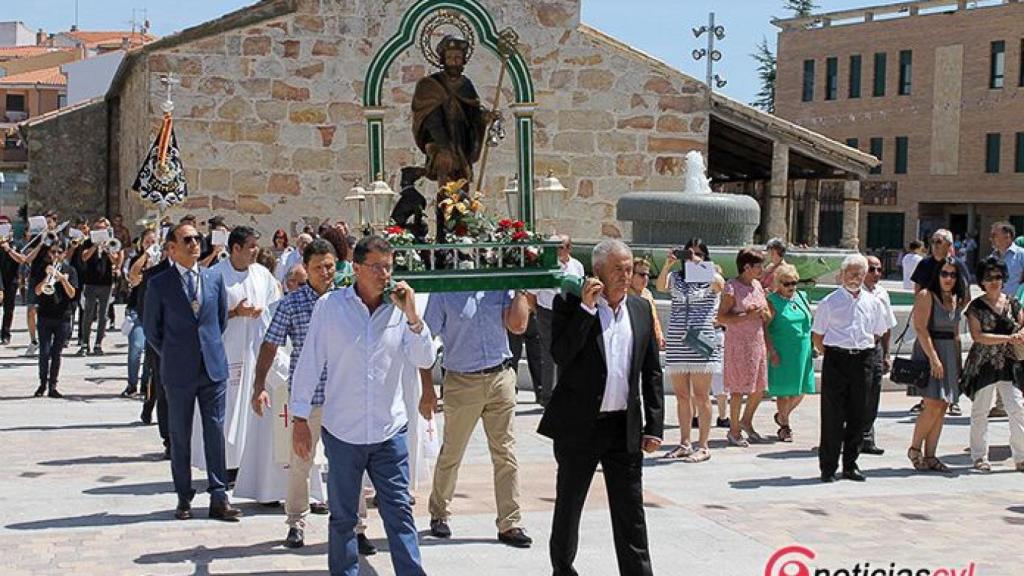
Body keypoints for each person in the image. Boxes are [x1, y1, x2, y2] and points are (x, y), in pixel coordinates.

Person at [292, 236, 436, 576]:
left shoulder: (401, 312)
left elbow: (424, 357)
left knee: (399, 512)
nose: (384, 275)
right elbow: (310, 362)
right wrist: (299, 418)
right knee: (343, 517)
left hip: (389, 431)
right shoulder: (330, 307)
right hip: (343, 432)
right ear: (356, 269)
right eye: (376, 267)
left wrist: (414, 317)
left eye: (389, 267)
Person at [539, 239, 664, 576]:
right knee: (569, 504)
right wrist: (586, 310)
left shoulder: (639, 309)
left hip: (623, 426)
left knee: (631, 511)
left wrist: (654, 426)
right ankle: (563, 569)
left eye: (629, 269)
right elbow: (561, 355)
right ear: (597, 273)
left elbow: (652, 371)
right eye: (617, 270)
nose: (626, 276)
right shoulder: (571, 305)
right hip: (581, 425)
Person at [252, 239, 372, 553]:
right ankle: (296, 522)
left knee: (351, 465)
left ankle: (357, 527)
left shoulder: (349, 300)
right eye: (318, 267)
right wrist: (258, 385)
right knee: (300, 462)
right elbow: (270, 344)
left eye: (330, 266)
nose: (325, 272)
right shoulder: (291, 304)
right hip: (308, 399)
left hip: (344, 397)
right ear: (306, 268)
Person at [143, 223, 242, 521]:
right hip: (178, 370)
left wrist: (205, 348)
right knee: (180, 434)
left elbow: (220, 321)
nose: (194, 244)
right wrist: (176, 354)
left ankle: (218, 496)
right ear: (172, 248)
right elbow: (152, 330)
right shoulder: (160, 284)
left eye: (197, 239)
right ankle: (184, 496)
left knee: (214, 432)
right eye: (187, 240)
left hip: (212, 368)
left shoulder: (213, 279)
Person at [422, 285, 532, 546]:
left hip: (500, 377)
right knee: (452, 451)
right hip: (461, 381)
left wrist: (519, 289)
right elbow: (424, 340)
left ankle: (510, 522)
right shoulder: (445, 291)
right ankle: (439, 513)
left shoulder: (497, 286)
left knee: (505, 452)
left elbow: (518, 326)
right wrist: (427, 387)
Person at [201, 226, 280, 491]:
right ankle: (227, 464)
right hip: (227, 351)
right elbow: (205, 315)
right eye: (251, 246)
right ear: (235, 249)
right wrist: (235, 313)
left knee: (253, 405)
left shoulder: (262, 275)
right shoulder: (215, 275)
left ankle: (250, 462)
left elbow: (274, 306)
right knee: (230, 405)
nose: (255, 251)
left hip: (256, 350)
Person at [811, 254, 891, 483]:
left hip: (863, 359)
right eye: (851, 273)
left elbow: (878, 331)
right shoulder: (830, 302)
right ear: (842, 275)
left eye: (859, 273)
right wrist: (834, 353)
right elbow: (818, 337)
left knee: (860, 413)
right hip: (837, 360)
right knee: (833, 415)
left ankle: (850, 465)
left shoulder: (874, 303)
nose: (855, 278)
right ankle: (828, 466)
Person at [657, 238, 721, 462]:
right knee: (682, 396)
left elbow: (720, 284)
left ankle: (703, 445)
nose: (694, 257)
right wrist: (669, 264)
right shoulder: (677, 278)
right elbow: (660, 286)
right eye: (690, 253)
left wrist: (698, 265)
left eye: (699, 254)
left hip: (701, 341)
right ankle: (684, 442)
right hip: (678, 340)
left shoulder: (709, 278)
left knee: (702, 395)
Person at [961, 257, 1024, 473]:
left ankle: (1021, 457)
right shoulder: (975, 307)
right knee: (980, 410)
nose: (994, 281)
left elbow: (1023, 324)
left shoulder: (1013, 303)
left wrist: (1020, 335)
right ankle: (979, 457)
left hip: (1009, 363)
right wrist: (1008, 339)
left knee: (1017, 408)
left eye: (998, 276)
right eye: (989, 277)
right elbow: (978, 337)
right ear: (981, 281)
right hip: (983, 363)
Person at [905, 258, 965, 473]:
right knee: (931, 404)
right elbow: (921, 329)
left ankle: (931, 455)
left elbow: (956, 333)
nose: (948, 279)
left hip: (949, 352)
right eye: (944, 274)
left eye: (953, 275)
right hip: (930, 351)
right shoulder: (926, 296)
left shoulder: (957, 299)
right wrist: (933, 359)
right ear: (937, 275)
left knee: (942, 407)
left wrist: (957, 364)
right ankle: (914, 449)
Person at [411, 35, 490, 188]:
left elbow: (473, 113)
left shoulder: (466, 85)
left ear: (463, 60)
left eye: (458, 58)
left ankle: (463, 209)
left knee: (462, 179)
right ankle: (444, 208)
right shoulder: (430, 85)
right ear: (443, 59)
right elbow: (430, 119)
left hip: (461, 142)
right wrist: (444, 146)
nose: (454, 61)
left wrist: (483, 118)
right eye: (450, 57)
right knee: (445, 166)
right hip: (439, 141)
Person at [718, 248, 770, 447]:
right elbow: (721, 317)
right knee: (738, 389)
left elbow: (765, 315)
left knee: (758, 388)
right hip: (738, 344)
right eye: (759, 266)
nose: (762, 270)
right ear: (746, 266)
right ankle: (733, 430)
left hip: (757, 343)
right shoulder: (732, 287)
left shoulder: (757, 285)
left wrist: (763, 313)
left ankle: (746, 421)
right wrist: (746, 316)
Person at [531, 234, 585, 407]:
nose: (557, 250)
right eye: (555, 247)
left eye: (561, 246)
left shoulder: (577, 266)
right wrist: (537, 311)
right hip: (548, 313)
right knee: (549, 354)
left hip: (569, 314)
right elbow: (532, 294)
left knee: (568, 353)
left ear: (569, 248)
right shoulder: (544, 266)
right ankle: (546, 396)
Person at [764, 263, 815, 443]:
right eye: (786, 284)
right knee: (784, 392)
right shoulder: (772, 301)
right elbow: (765, 328)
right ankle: (785, 426)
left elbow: (810, 323)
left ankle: (782, 415)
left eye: (794, 283)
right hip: (782, 349)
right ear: (778, 283)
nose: (791, 287)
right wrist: (771, 350)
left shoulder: (801, 296)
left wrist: (813, 344)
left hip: (803, 349)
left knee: (802, 389)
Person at [138, 239, 172, 454]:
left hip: (189, 344)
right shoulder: (153, 276)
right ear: (170, 249)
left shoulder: (201, 274)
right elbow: (145, 313)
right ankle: (169, 439)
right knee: (164, 391)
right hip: (161, 344)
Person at [862, 255, 899, 451]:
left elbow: (887, 326)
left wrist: (886, 354)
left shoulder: (882, 293)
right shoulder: (854, 292)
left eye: (879, 269)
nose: (876, 273)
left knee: (873, 392)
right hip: (857, 349)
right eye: (871, 269)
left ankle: (867, 437)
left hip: (875, 348)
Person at [33, 242, 78, 398]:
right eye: (53, 252)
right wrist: (47, 277)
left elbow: (72, 294)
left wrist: (63, 280)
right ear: (49, 254)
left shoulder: (70, 270)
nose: (56, 255)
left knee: (56, 353)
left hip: (63, 317)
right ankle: (42, 384)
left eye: (59, 252)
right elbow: (38, 291)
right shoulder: (42, 268)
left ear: (64, 254)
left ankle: (53, 386)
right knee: (44, 352)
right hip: (45, 316)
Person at [76, 217, 122, 356]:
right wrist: (95, 245)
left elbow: (117, 262)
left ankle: (98, 344)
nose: (101, 230)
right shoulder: (88, 241)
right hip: (90, 282)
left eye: (104, 228)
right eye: (98, 228)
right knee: (88, 314)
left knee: (103, 315)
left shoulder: (112, 243)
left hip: (106, 283)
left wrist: (108, 251)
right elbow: (84, 257)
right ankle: (85, 344)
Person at [122, 229, 159, 397]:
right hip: (137, 309)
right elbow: (133, 278)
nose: (151, 245)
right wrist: (146, 256)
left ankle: (145, 386)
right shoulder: (137, 260)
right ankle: (131, 384)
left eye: (153, 243)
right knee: (136, 348)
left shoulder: (162, 262)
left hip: (154, 311)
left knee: (150, 353)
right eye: (147, 242)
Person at [628, 257, 664, 350]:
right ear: (631, 275)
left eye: (648, 275)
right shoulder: (623, 295)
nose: (646, 278)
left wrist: (659, 335)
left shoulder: (647, 293)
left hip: (648, 341)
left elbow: (654, 318)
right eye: (642, 275)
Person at [0, 214, 23, 345]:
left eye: (4, 225)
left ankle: (5, 333)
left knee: (9, 309)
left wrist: (8, 249)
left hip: (11, 280)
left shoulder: (16, 244)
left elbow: (21, 260)